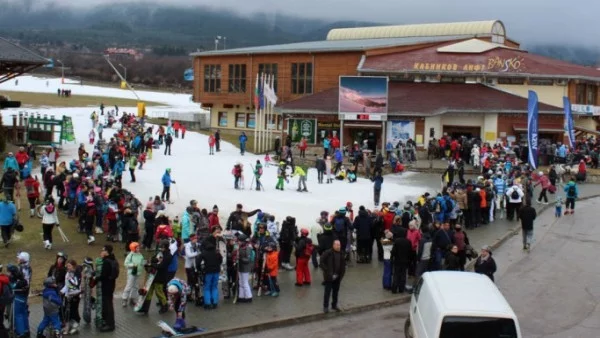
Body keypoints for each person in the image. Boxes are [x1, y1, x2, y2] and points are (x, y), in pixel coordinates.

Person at [197, 227, 223, 309]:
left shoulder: (204, 253)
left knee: (207, 287)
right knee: (214, 286)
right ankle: (214, 302)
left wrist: (199, 269)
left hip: (208, 271)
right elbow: (220, 260)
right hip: (216, 271)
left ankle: (207, 303)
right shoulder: (217, 252)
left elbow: (198, 262)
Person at [95, 245, 119, 332]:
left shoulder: (106, 261)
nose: (101, 252)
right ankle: (107, 321)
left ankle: (110, 324)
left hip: (106, 285)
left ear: (106, 251)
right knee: (108, 303)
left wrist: (96, 278)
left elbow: (103, 275)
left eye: (103, 250)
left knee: (107, 304)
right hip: (111, 284)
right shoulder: (113, 259)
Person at [320, 239, 345, 313]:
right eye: (337, 245)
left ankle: (334, 305)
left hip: (337, 277)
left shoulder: (341, 253)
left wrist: (341, 274)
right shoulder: (328, 252)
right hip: (329, 277)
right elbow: (321, 262)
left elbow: (343, 265)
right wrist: (327, 271)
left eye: (339, 245)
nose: (338, 246)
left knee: (335, 292)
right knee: (327, 292)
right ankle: (325, 307)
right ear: (333, 245)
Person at [61, 260, 82, 335]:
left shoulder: (77, 273)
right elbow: (67, 285)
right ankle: (68, 326)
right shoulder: (67, 274)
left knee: (73, 311)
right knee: (67, 311)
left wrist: (70, 278)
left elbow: (76, 284)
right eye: (67, 266)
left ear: (73, 266)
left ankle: (76, 326)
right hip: (68, 295)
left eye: (69, 266)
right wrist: (62, 291)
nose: (68, 267)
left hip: (75, 295)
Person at [122, 242, 144, 307]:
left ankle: (132, 298)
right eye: (137, 248)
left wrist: (144, 263)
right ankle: (124, 299)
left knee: (136, 286)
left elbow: (142, 262)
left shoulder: (140, 255)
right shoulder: (130, 255)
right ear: (133, 248)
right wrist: (132, 265)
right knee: (129, 286)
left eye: (138, 247)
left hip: (138, 273)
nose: (138, 248)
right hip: (131, 273)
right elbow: (126, 264)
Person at [390, 228, 411, 294]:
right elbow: (410, 252)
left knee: (396, 274)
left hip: (397, 261)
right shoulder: (408, 241)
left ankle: (394, 289)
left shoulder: (397, 241)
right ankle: (401, 289)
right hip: (405, 261)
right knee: (403, 275)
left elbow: (393, 251)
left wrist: (391, 258)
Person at [236, 233, 255, 303]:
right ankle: (241, 296)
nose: (238, 242)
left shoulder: (248, 248)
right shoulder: (240, 247)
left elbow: (248, 260)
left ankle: (248, 296)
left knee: (245, 283)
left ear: (244, 241)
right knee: (241, 282)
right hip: (240, 267)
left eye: (239, 241)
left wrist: (240, 258)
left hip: (245, 268)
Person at [183, 235, 200, 301]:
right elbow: (189, 255)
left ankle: (197, 295)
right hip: (189, 267)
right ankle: (188, 296)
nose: (196, 240)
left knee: (196, 281)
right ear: (191, 239)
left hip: (195, 266)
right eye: (194, 239)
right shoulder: (188, 246)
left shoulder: (197, 244)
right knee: (190, 282)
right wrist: (197, 253)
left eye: (196, 238)